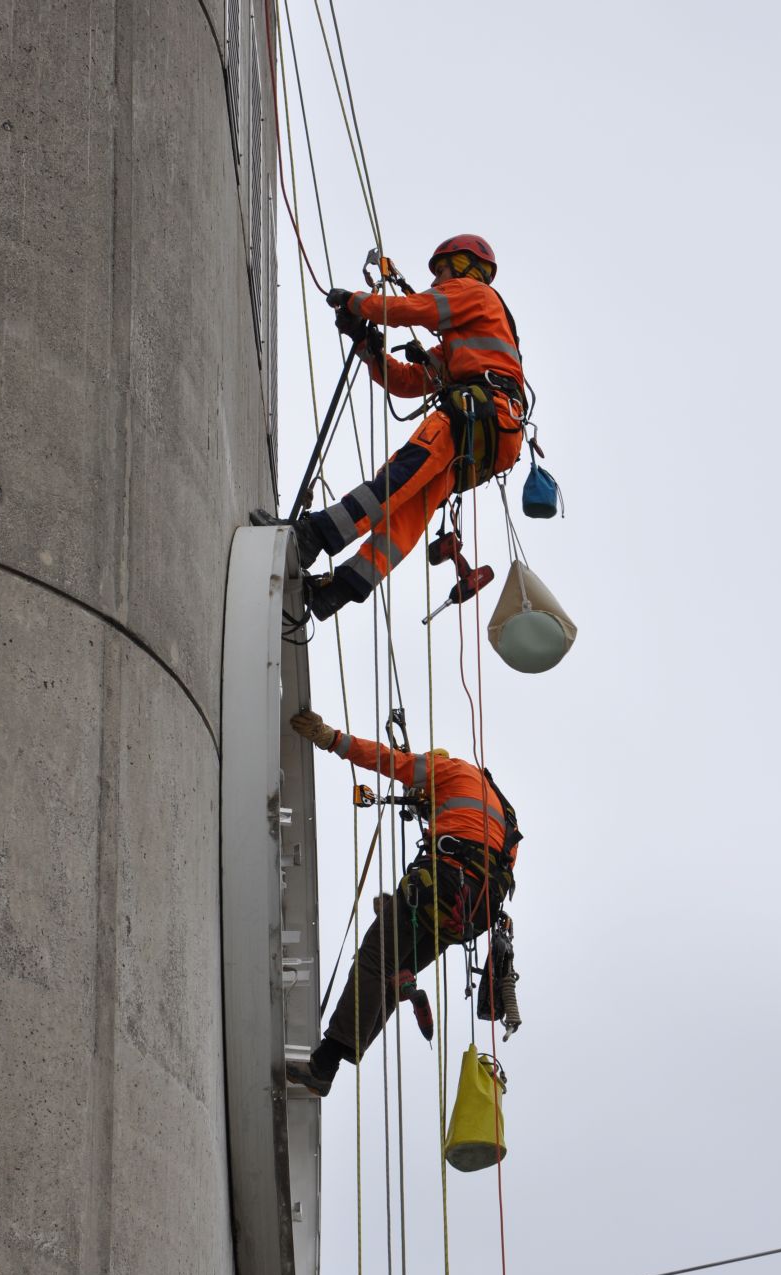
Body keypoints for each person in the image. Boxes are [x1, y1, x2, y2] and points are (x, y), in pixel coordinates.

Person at [285, 709, 521, 1097]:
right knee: (393, 974)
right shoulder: (503, 813)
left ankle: (325, 1063)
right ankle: (329, 1062)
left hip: (440, 888)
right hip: (470, 915)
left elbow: (391, 762)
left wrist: (331, 739)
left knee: (375, 960)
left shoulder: (448, 770)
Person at [299, 235, 528, 620]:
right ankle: (342, 589)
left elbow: (415, 309)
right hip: (495, 440)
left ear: (466, 268)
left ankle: (314, 536)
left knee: (398, 475)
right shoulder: (466, 346)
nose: (438, 280)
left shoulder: (475, 294)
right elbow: (407, 382)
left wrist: (356, 302)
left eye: (442, 270)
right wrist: (368, 347)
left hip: (478, 411)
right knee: (408, 507)